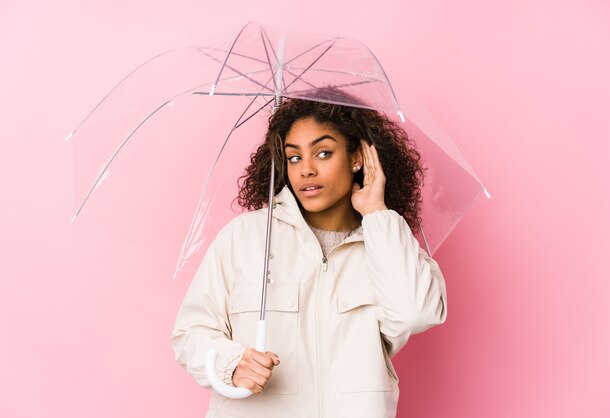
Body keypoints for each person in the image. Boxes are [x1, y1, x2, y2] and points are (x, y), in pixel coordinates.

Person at [171, 90, 448, 418]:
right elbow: (191, 334)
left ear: (357, 157)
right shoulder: (244, 238)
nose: (306, 170)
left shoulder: (386, 243)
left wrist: (376, 211)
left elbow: (417, 313)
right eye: (294, 157)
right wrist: (231, 363)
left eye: (324, 153)